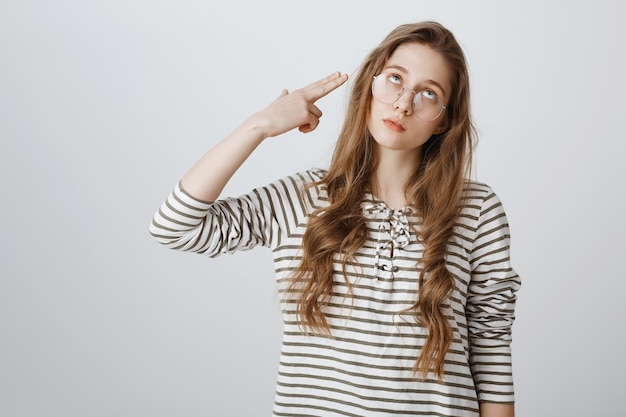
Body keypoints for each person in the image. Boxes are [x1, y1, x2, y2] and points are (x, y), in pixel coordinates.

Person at [150, 21, 521, 417]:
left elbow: (490, 343)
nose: (403, 103)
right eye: (395, 79)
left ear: (445, 119)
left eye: (428, 93)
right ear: (369, 85)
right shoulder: (302, 199)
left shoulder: (476, 208)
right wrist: (258, 126)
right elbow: (174, 226)